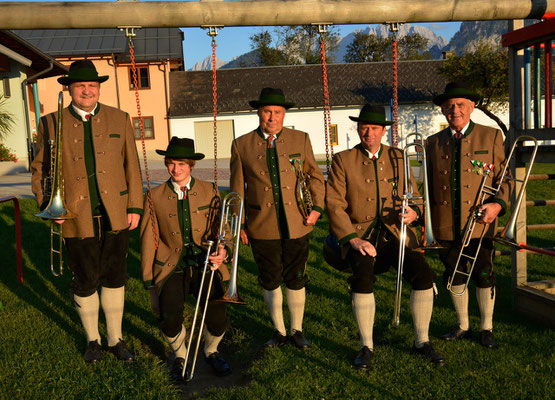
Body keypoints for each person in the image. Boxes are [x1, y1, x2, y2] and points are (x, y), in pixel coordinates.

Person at [31, 59, 143, 363]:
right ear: (69, 90)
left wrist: (134, 206)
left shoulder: (120, 119)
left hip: (116, 212)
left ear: (98, 88)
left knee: (115, 276)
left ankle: (115, 339)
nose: (87, 91)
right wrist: (46, 203)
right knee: (85, 279)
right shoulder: (50, 122)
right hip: (73, 213)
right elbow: (40, 168)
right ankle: (93, 340)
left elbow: (131, 165)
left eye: (92, 85)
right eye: (80, 86)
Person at [326, 104, 445, 369]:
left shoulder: (399, 157)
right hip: (360, 234)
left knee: (423, 274)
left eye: (374, 128)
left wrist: (414, 213)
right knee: (363, 276)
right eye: (363, 127)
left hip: (395, 233)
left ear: (383, 131)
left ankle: (422, 341)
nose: (368, 132)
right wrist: (352, 240)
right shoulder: (342, 160)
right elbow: (334, 205)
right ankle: (366, 345)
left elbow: (413, 195)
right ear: (359, 129)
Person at [230, 88, 325, 349]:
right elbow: (237, 190)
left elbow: (315, 176)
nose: (272, 117)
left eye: (278, 112)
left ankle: (297, 329)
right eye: (267, 112)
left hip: (298, 222)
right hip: (262, 226)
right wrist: (238, 224)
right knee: (270, 278)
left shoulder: (300, 139)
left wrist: (316, 208)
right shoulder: (241, 144)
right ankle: (279, 331)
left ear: (284, 114)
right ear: (259, 113)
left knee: (295, 277)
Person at [426, 82, 510, 349]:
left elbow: (505, 178)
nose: (455, 110)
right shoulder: (432, 143)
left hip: (480, 223)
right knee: (454, 274)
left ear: (472, 107)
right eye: (449, 106)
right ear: (442, 110)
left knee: (484, 273)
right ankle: (463, 325)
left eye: (461, 104)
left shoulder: (492, 136)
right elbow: (426, 185)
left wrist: (498, 204)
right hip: (445, 223)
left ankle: (486, 327)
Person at [141, 137, 231, 380]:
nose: (176, 169)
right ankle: (180, 355)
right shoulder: (154, 195)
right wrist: (151, 285)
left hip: (206, 263)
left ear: (191, 165)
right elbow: (148, 241)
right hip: (172, 265)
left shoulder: (209, 189)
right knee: (169, 318)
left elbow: (223, 231)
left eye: (181, 164)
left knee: (218, 315)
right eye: (171, 163)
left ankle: (211, 351)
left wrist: (223, 251)